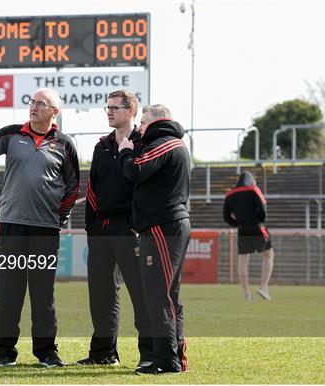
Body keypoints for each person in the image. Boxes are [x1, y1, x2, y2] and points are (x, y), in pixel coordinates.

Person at [0, 88, 80, 368]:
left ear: (54, 112)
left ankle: (47, 352)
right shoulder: (13, 133)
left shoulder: (65, 144)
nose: (33, 107)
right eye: (31, 102)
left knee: (43, 294)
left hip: (45, 232)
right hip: (11, 227)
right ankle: (4, 351)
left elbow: (73, 188)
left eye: (40, 103)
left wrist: (58, 219)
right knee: (8, 292)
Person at [77, 90, 153, 368]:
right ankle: (103, 353)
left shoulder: (143, 143)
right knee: (100, 294)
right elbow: (93, 188)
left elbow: (145, 186)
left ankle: (149, 354)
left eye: (114, 108)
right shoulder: (102, 146)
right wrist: (91, 228)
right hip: (101, 230)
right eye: (106, 107)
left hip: (129, 229)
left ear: (131, 111)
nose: (109, 112)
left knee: (141, 294)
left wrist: (136, 225)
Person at [118, 104, 191, 375]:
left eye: (143, 122)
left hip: (163, 226)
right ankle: (175, 357)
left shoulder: (165, 142)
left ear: (156, 122)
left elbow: (136, 170)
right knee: (167, 295)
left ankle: (167, 359)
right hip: (165, 225)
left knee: (158, 295)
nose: (139, 128)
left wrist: (125, 151)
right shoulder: (171, 143)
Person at [223, 171, 274, 301]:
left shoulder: (230, 195)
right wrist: (260, 221)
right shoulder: (254, 190)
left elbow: (226, 217)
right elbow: (263, 208)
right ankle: (263, 287)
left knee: (243, 261)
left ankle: (247, 294)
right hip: (257, 227)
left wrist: (238, 224)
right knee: (269, 254)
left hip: (242, 230)